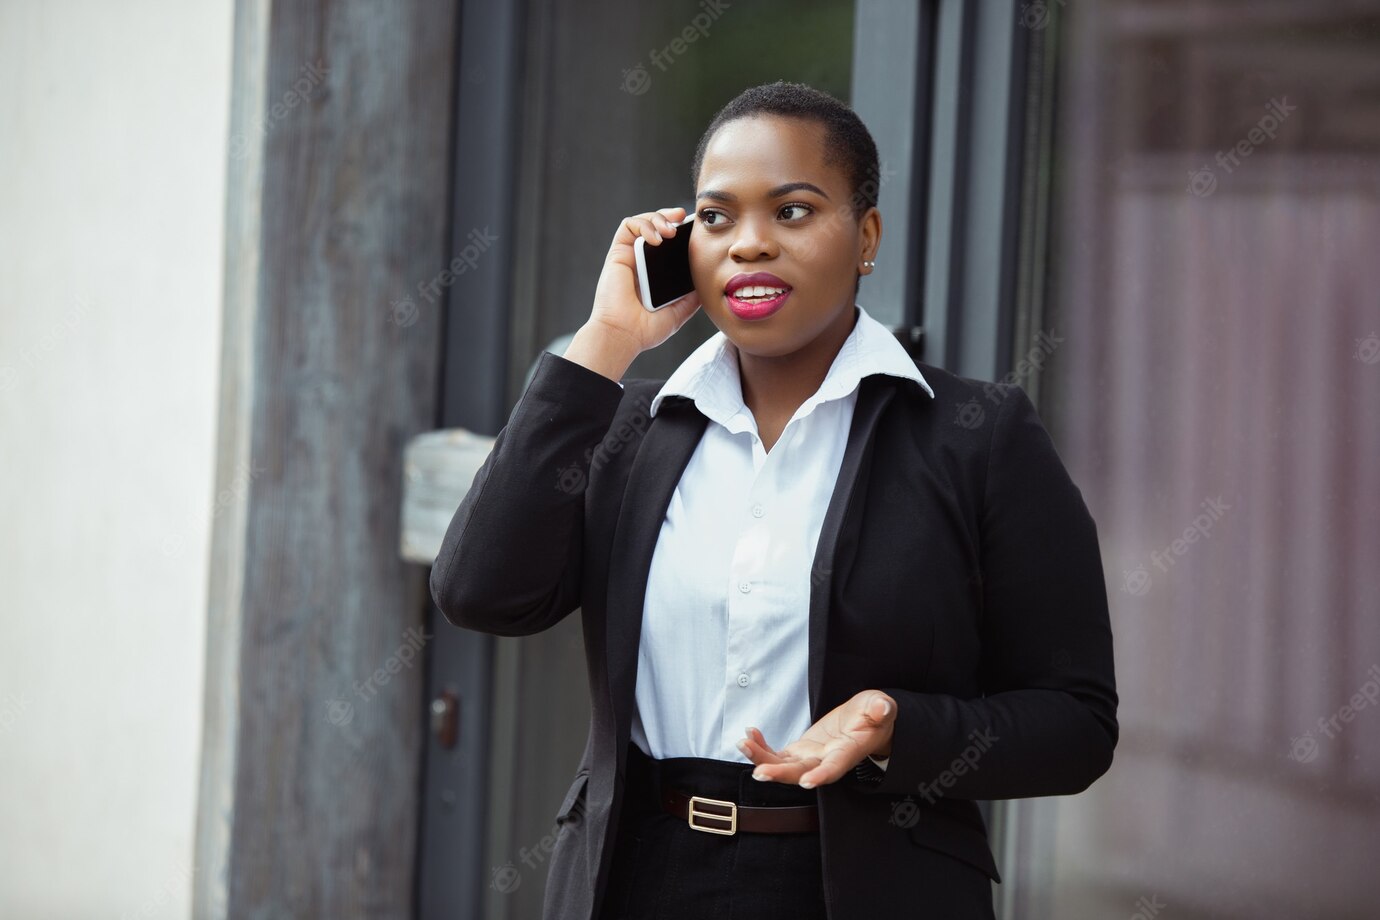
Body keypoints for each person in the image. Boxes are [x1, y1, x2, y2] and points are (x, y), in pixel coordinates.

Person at [430, 80, 1118, 920]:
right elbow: (480, 592)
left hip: (865, 890)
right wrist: (604, 345)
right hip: (638, 879)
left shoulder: (975, 436)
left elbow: (1074, 724)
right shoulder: (629, 430)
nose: (748, 245)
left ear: (865, 235)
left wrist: (898, 724)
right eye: (716, 218)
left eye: (792, 211)